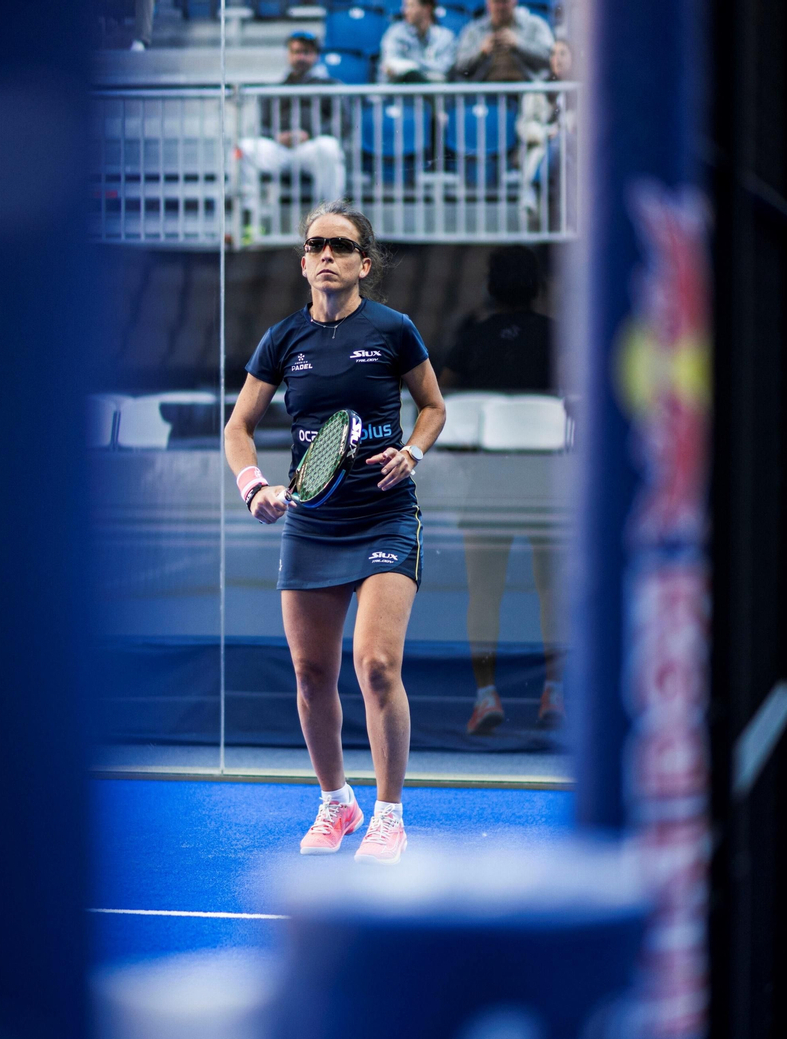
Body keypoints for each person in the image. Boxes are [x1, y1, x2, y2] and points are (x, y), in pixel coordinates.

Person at [224, 201, 447, 865]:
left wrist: (414, 451)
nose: (327, 254)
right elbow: (239, 427)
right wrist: (254, 486)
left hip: (383, 513)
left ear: (363, 263)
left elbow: (433, 406)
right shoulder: (282, 340)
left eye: (341, 246)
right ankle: (335, 802)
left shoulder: (393, 330)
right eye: (316, 244)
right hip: (312, 520)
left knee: (375, 665)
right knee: (310, 672)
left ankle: (387, 814)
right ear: (303, 263)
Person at [437, 246, 563, 734]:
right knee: (552, 591)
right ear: (538, 287)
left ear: (491, 287)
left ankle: (486, 698)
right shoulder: (557, 336)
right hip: (543, 481)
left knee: (483, 593)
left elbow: (441, 403)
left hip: (490, 482)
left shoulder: (476, 336)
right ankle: (555, 692)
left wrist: (468, 451)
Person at [237, 32, 347, 206]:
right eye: (295, 52)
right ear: (288, 55)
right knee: (244, 149)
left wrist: (309, 135)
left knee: (329, 147)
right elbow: (262, 125)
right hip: (280, 149)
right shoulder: (276, 88)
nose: (300, 57)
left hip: (311, 147)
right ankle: (248, 215)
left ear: (316, 55)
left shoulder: (330, 85)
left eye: (306, 52)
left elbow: (343, 122)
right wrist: (277, 136)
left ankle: (331, 214)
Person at [515, 38, 574, 221]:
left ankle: (534, 186)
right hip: (542, 146)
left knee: (562, 140)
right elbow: (524, 124)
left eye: (563, 54)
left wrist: (563, 130)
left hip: (572, 149)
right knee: (547, 148)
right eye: (553, 54)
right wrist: (544, 134)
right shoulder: (539, 88)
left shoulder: (585, 89)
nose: (557, 59)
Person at [451, 0, 555, 83]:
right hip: (484, 94)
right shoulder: (473, 30)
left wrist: (518, 45)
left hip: (528, 90)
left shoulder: (534, 25)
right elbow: (459, 65)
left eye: (505, 1)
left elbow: (550, 57)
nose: (501, 7)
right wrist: (481, 52)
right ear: (488, 3)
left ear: (514, 1)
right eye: (496, 2)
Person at [379, 0, 456, 83]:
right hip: (399, 93)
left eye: (411, 6)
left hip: (433, 94)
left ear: (427, 8)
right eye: (405, 6)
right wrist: (426, 71)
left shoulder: (445, 37)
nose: (405, 11)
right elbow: (390, 65)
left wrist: (412, 66)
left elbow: (444, 71)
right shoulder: (395, 33)